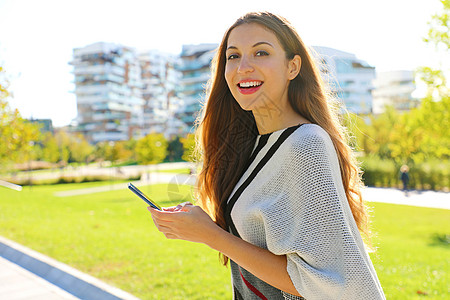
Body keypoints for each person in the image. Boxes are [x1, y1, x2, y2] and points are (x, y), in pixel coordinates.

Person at [149, 12, 385, 299]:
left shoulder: (305, 144)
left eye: (261, 53)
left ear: (292, 67)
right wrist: (198, 224)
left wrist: (211, 236)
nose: (243, 67)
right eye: (233, 56)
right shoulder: (253, 148)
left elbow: (326, 282)